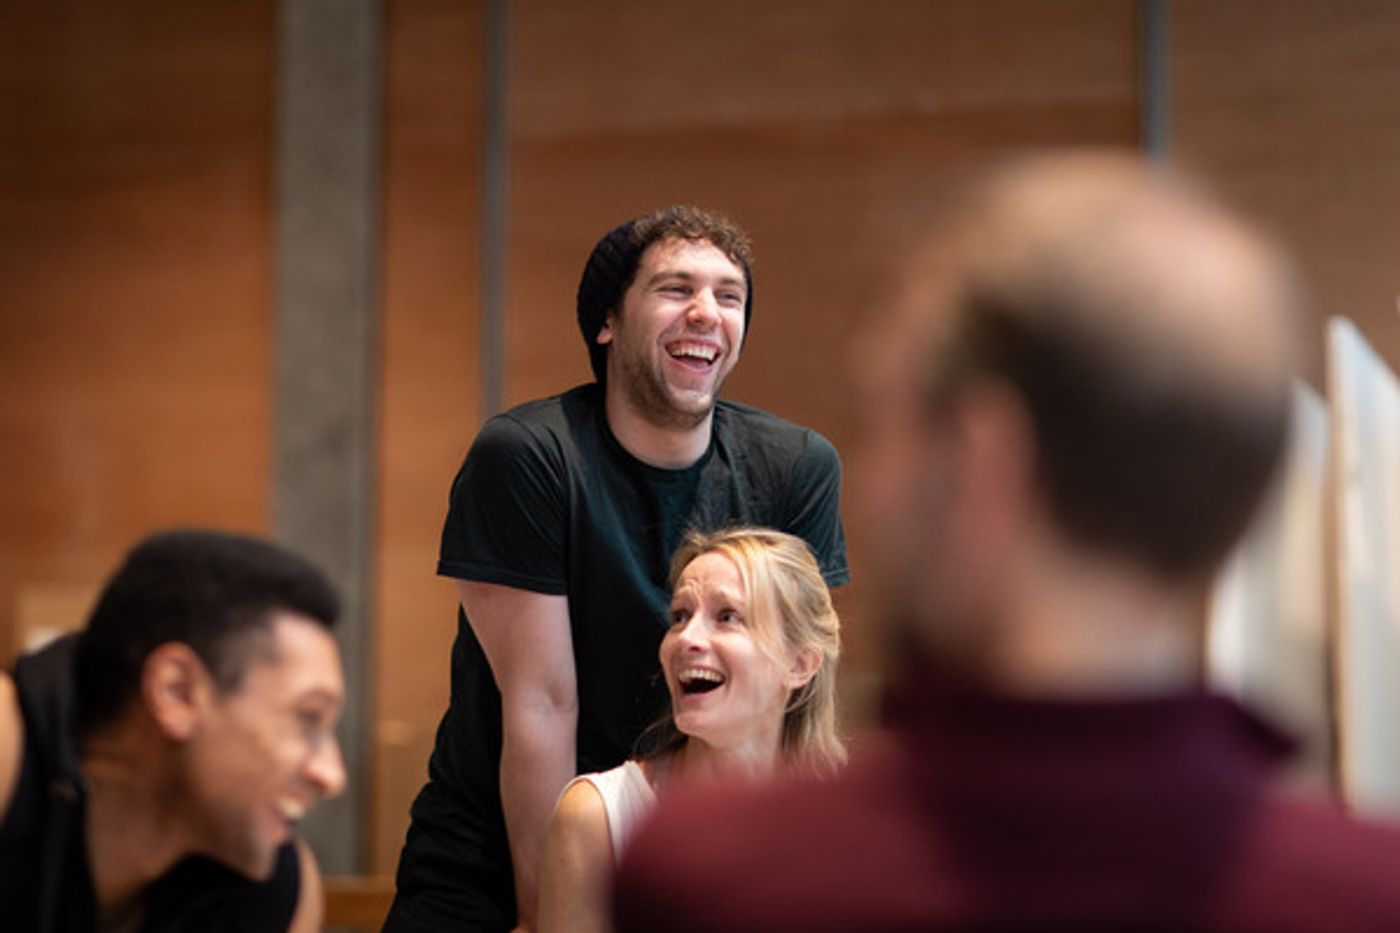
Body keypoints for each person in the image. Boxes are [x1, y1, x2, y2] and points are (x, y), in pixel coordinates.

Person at [613, 151, 1400, 931]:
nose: (877, 483)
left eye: (889, 421)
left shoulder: (717, 878)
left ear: (989, 458)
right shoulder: (1367, 894)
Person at [386, 205, 849, 931]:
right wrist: (549, 911)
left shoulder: (795, 466)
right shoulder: (530, 455)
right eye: (675, 289)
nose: (706, 312)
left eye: (729, 296)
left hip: (696, 823)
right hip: (507, 838)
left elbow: (797, 674)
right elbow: (542, 704)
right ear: (607, 322)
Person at [0, 528, 347, 933]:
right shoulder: (10, 747)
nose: (331, 776)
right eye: (307, 718)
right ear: (176, 692)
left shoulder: (280, 894)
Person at [536, 527, 843, 933]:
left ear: (799, 664)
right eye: (679, 616)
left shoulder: (845, 829)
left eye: (727, 617)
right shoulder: (598, 816)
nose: (687, 638)